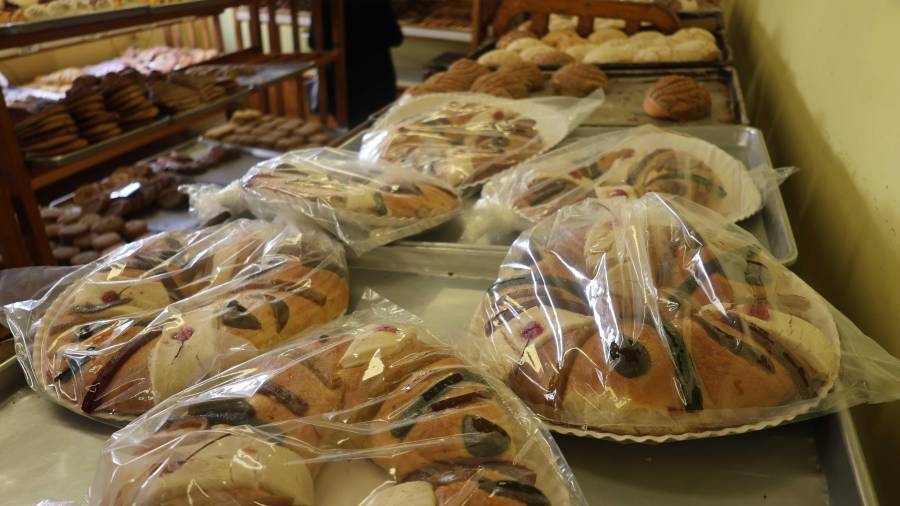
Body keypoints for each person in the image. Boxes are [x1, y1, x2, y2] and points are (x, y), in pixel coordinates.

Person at [310, 0, 404, 126]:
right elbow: (395, 38)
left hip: (340, 80)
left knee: (349, 132)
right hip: (376, 77)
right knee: (379, 129)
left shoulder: (323, 3)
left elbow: (314, 42)